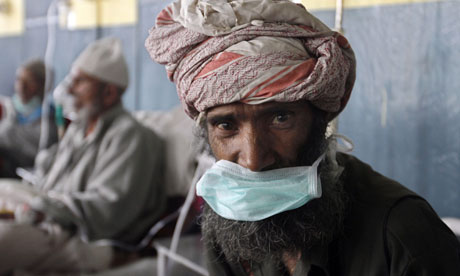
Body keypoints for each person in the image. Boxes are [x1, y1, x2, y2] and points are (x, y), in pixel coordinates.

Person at [145, 0, 460, 275]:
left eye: (281, 118)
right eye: (226, 125)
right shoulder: (227, 231)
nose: (253, 160)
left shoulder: (401, 238)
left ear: (319, 119)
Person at [0, 37, 166, 274]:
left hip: (80, 235)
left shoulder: (130, 136)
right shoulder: (79, 128)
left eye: (79, 82)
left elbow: (108, 210)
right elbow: (47, 174)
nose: (68, 89)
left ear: (108, 92)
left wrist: (41, 208)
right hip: (48, 211)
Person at [0, 59, 57, 177]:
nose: (21, 86)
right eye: (19, 79)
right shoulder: (11, 110)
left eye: (29, 81)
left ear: (44, 86)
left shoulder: (49, 122)